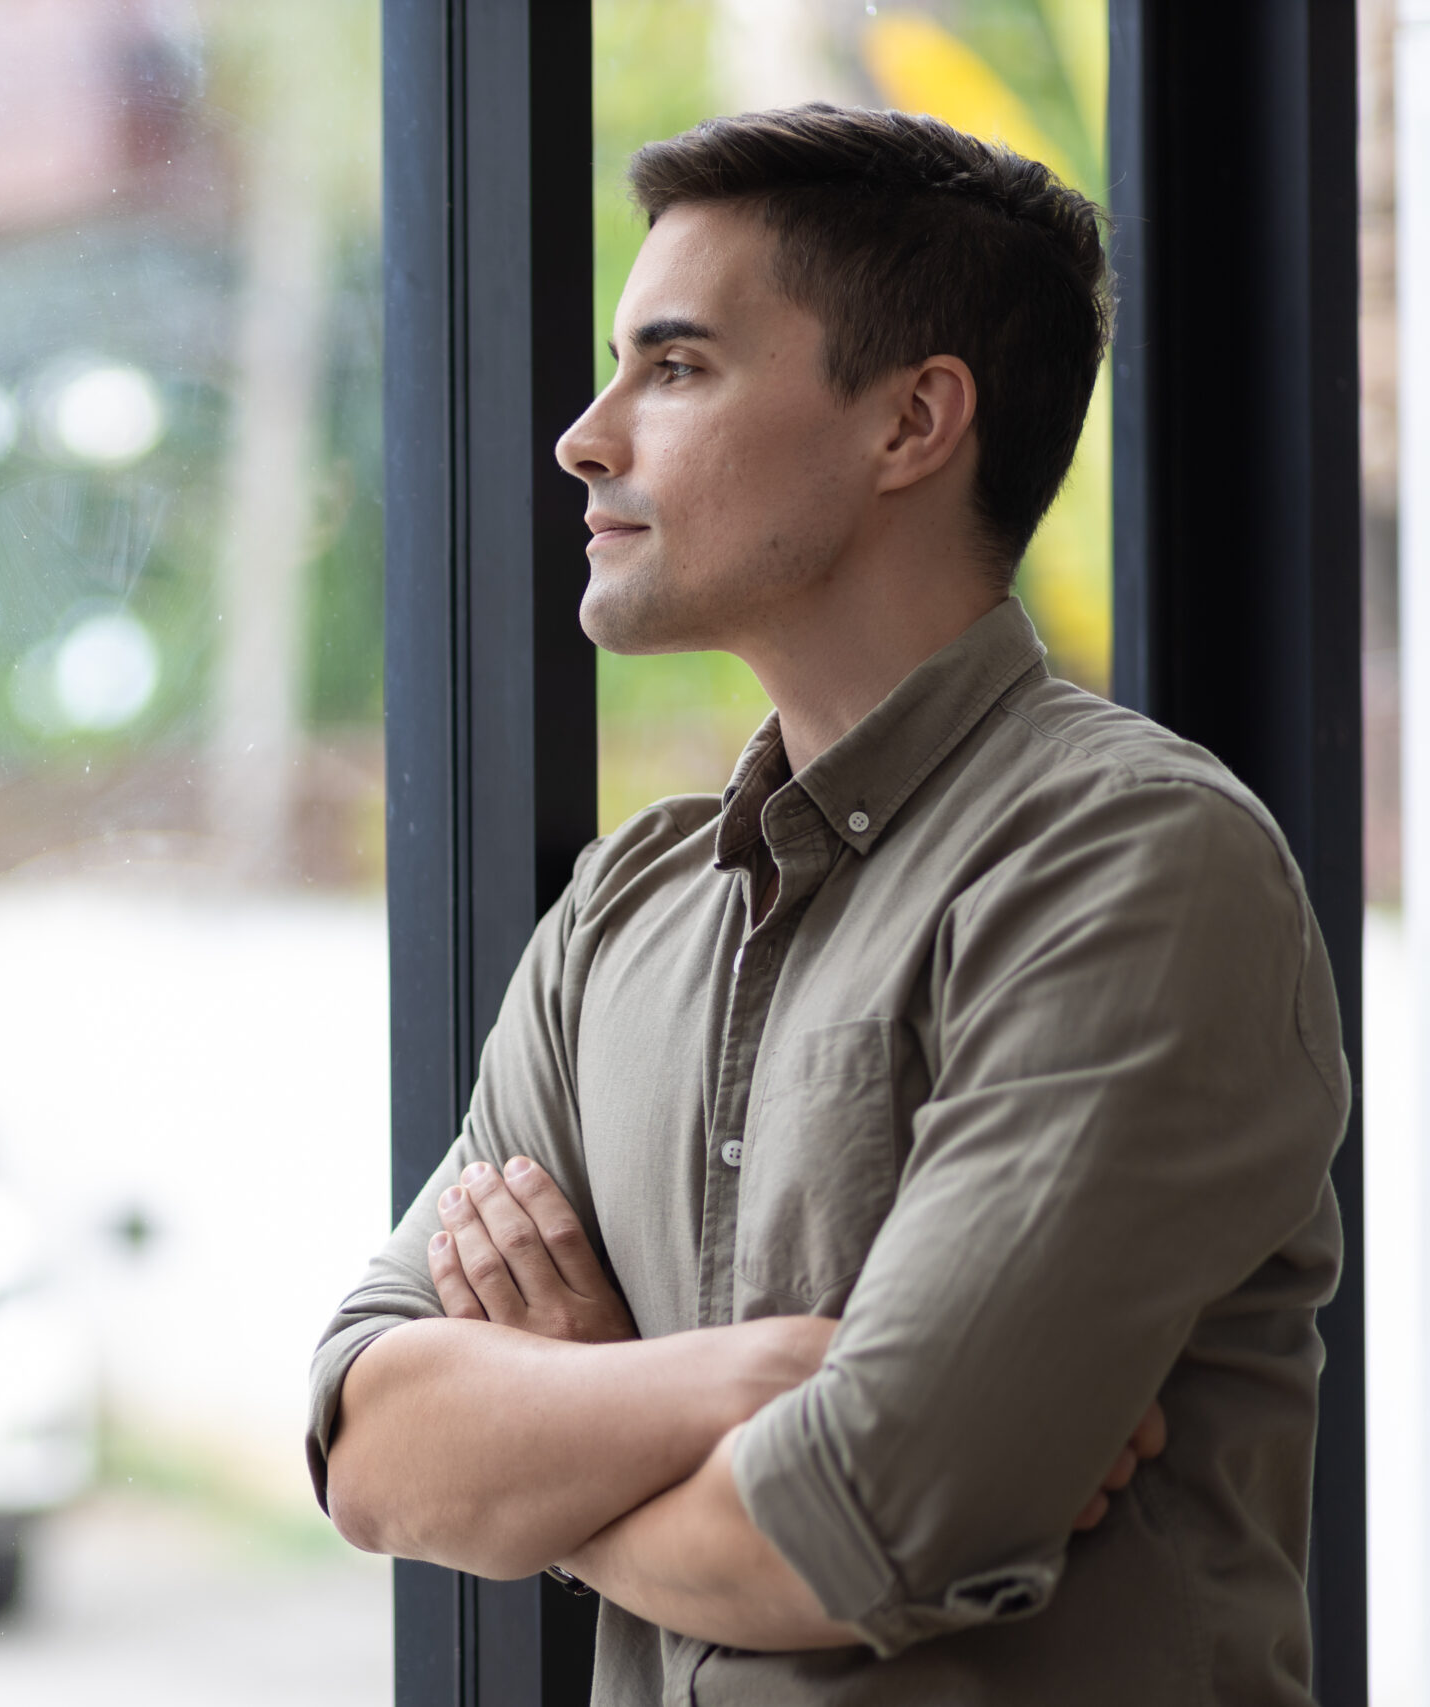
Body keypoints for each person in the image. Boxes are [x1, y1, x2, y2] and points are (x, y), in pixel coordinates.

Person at [309, 104, 1347, 1704]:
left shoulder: (1134, 863)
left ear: (912, 422)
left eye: (675, 367)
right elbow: (374, 1449)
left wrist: (558, 1452)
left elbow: (854, 1528)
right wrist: (746, 1382)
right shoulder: (620, 915)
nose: (586, 437)